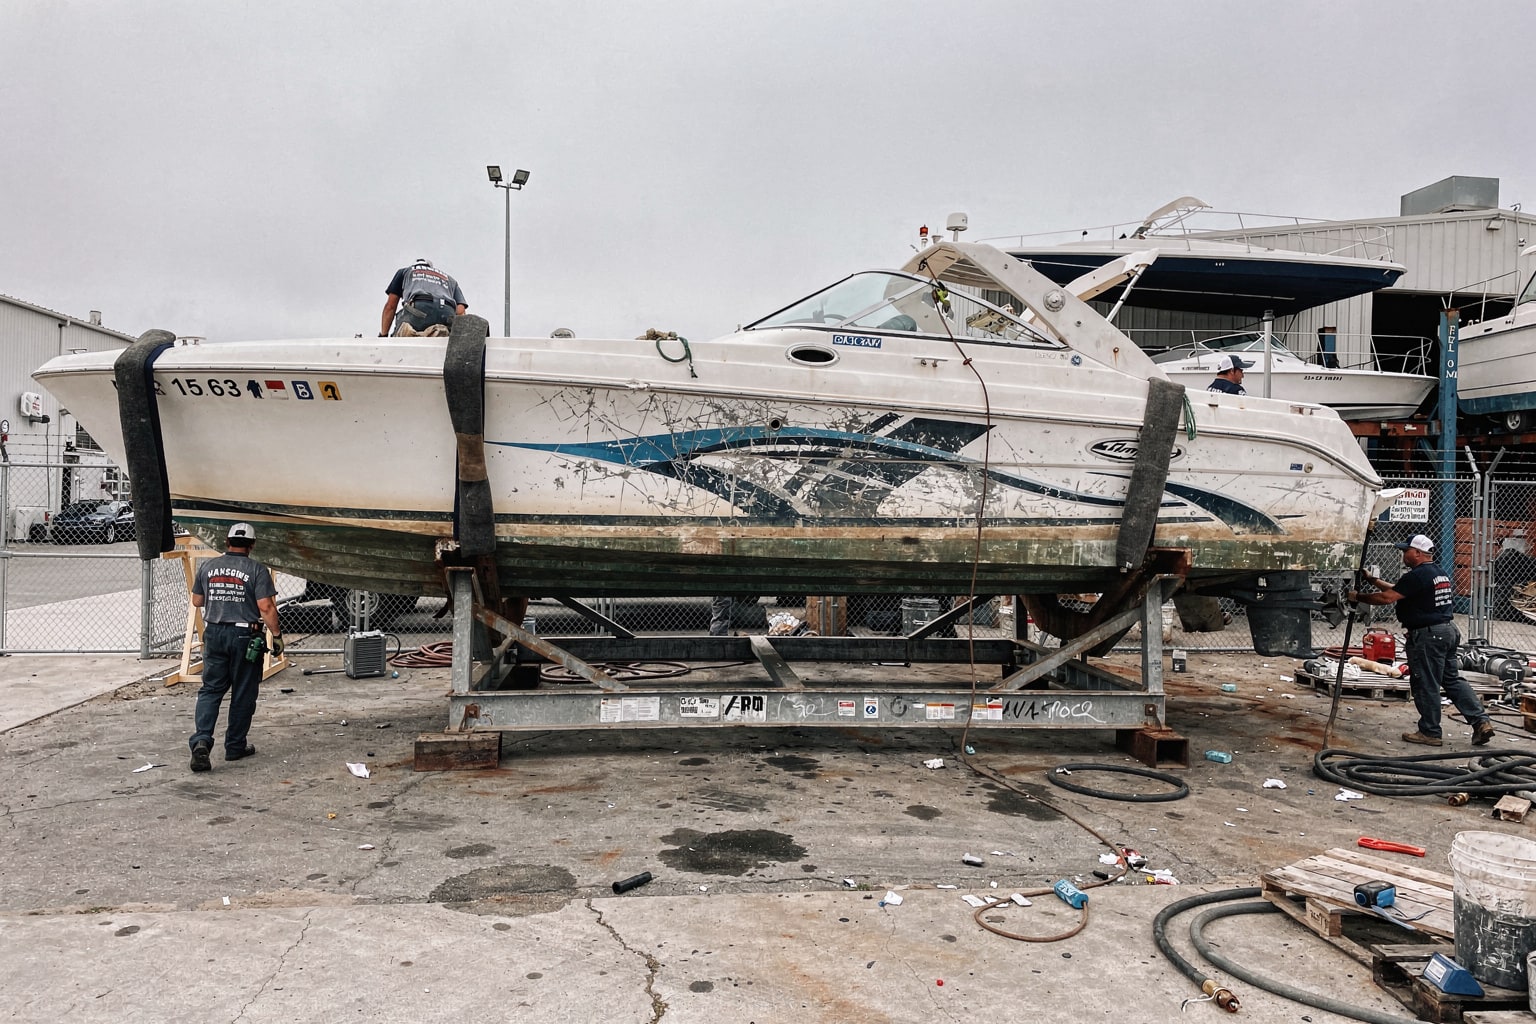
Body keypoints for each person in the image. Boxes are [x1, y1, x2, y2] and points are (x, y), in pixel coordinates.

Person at [1348, 533, 1495, 747]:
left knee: (1425, 682)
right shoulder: (1438, 573)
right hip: (1447, 631)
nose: (1403, 555)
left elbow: (1388, 598)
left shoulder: (1416, 575)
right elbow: (1400, 590)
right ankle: (1481, 722)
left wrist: (1357, 597)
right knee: (1451, 680)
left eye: (1406, 550)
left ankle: (1430, 731)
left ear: (1417, 553)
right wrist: (1372, 580)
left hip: (1428, 635)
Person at [188, 523, 283, 772]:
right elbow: (266, 607)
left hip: (215, 633)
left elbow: (197, 600)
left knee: (211, 690)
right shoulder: (256, 570)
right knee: (242, 693)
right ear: (251, 545)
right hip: (245, 636)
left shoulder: (208, 567)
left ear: (226, 542)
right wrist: (277, 635)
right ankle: (235, 746)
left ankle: (201, 741)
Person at [380, 258, 467, 337]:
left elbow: (390, 306)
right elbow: (461, 310)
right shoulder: (450, 279)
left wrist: (383, 335)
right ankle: (438, 330)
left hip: (420, 309)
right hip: (447, 313)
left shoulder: (405, 272)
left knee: (400, 325)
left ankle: (409, 332)